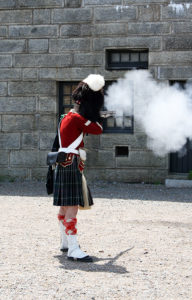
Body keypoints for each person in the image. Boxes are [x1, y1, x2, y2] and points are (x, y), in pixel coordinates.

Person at [53, 74, 105, 262]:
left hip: (63, 162)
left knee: (64, 206)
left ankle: (65, 242)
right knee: (72, 207)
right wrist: (97, 117)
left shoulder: (67, 116)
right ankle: (73, 249)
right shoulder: (77, 119)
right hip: (71, 163)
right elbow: (98, 129)